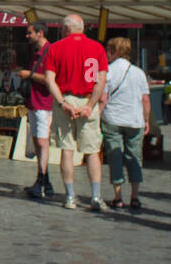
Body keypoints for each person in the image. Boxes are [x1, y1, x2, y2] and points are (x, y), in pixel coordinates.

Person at [43, 14, 108, 211]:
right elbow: (100, 81)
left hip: (66, 98)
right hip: (88, 100)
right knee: (92, 151)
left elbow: (49, 79)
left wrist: (62, 103)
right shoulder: (97, 48)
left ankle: (70, 196)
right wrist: (90, 105)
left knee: (67, 150)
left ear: (66, 29)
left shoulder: (55, 48)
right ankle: (96, 196)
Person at [100, 37, 150, 211]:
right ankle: (135, 196)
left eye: (108, 49)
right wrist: (146, 120)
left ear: (114, 51)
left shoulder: (107, 71)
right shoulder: (139, 72)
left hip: (112, 118)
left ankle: (118, 196)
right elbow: (145, 100)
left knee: (115, 157)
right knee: (134, 157)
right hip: (135, 120)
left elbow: (103, 98)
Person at [20, 22, 55, 200]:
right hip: (33, 101)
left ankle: (42, 179)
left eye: (30, 33)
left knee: (42, 141)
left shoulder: (50, 52)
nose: (27, 36)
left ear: (40, 33)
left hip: (44, 102)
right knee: (37, 140)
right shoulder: (35, 53)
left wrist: (29, 75)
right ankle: (43, 179)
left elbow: (51, 80)